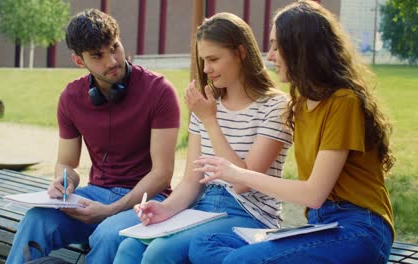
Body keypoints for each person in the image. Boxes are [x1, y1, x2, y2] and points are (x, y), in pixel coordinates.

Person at [190, 1, 395, 263]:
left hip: (359, 229)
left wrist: (238, 173)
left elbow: (313, 194)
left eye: (277, 46)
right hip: (320, 226)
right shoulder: (300, 104)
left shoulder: (343, 102)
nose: (270, 55)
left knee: (238, 261)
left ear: (301, 49)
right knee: (205, 243)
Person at [113, 12, 292, 264]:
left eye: (213, 59)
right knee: (129, 248)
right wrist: (165, 209)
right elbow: (191, 181)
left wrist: (210, 120)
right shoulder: (207, 105)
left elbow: (243, 182)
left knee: (159, 253)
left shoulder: (275, 106)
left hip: (250, 214)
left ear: (241, 52)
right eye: (203, 60)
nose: (206, 69)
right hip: (204, 207)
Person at [6, 9, 180, 263]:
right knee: (36, 219)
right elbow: (67, 162)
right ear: (79, 60)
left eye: (114, 48)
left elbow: (162, 172)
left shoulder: (159, 91)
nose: (112, 61)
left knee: (108, 234)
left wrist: (110, 211)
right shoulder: (70, 97)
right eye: (98, 55)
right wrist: (63, 181)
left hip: (146, 199)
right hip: (97, 194)